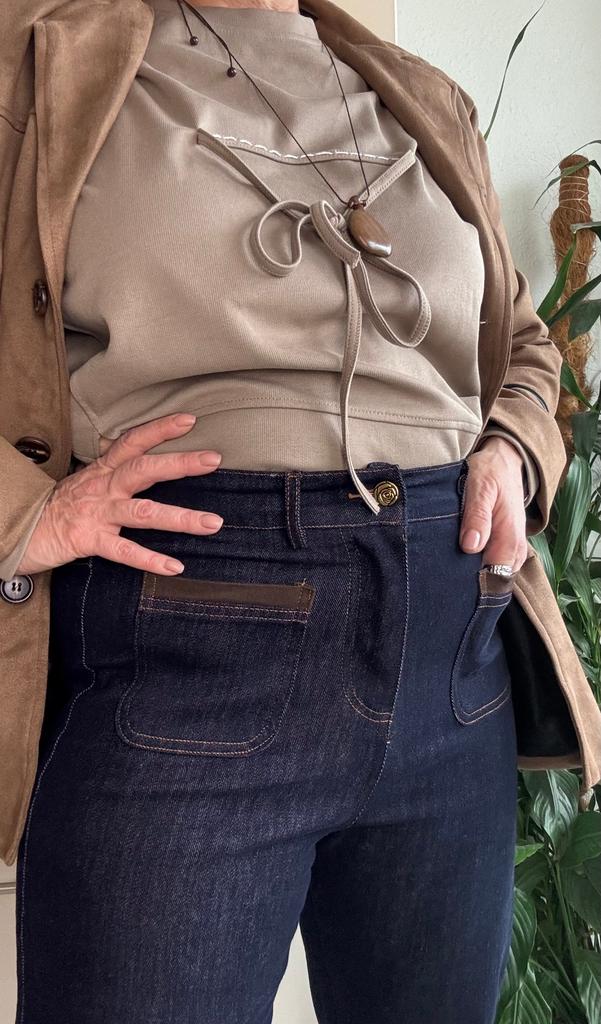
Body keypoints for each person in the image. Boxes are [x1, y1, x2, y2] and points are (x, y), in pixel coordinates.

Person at [1, 0, 599, 1021]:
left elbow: (523, 349)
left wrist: (511, 447)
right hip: (189, 632)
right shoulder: (43, 65)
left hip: (451, 648)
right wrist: (26, 514)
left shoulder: (420, 97)